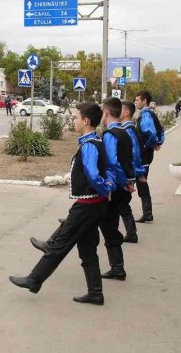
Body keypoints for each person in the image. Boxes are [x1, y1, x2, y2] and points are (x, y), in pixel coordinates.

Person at [9, 103, 115, 305]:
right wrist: (107, 188)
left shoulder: (90, 145)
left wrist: (104, 189)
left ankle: (34, 279)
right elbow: (109, 168)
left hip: (88, 204)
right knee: (87, 249)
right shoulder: (95, 141)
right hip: (95, 204)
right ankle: (95, 292)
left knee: (60, 244)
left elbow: (93, 174)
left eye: (76, 117)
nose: (73, 120)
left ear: (85, 121)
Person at [97, 97, 136, 281]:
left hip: (115, 187)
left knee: (109, 225)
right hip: (123, 185)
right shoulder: (125, 132)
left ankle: (117, 267)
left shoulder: (110, 134)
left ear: (105, 112)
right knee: (107, 225)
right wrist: (130, 180)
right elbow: (131, 158)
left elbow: (112, 163)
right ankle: (117, 267)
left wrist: (122, 182)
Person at [133, 91, 165, 223]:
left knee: (141, 181)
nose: (136, 102)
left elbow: (151, 132)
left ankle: (147, 213)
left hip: (143, 155)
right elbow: (160, 131)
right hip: (145, 154)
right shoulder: (150, 113)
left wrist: (148, 145)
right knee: (141, 182)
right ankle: (147, 213)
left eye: (138, 100)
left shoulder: (146, 114)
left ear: (144, 101)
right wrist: (156, 143)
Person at [118, 100, 145, 243]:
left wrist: (137, 173)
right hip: (126, 172)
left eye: (120, 109)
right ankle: (130, 233)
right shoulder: (125, 128)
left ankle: (131, 234)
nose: (118, 111)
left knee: (121, 203)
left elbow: (134, 153)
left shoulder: (128, 130)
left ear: (127, 112)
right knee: (121, 204)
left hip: (125, 173)